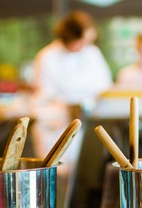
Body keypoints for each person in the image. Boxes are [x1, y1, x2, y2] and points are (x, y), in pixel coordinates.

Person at [31, 10, 113, 160]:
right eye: (82, 41)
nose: (85, 45)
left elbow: (105, 83)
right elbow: (44, 93)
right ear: (70, 37)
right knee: (53, 168)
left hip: (84, 123)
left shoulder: (91, 52)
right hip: (54, 127)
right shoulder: (47, 56)